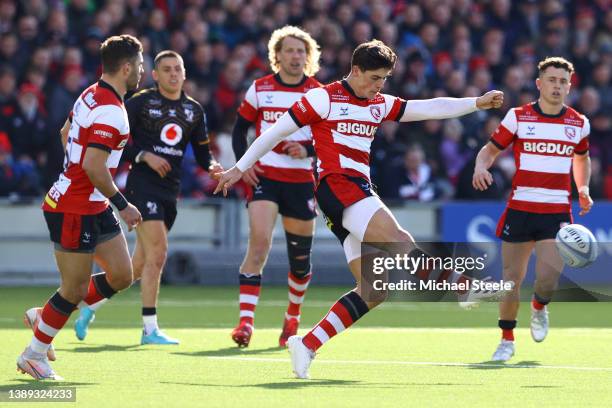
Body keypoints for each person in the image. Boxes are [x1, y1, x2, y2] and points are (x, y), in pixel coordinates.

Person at [215, 39, 506, 379]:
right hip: (338, 186)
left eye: (383, 79)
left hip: (352, 193)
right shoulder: (323, 98)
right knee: (398, 238)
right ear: (355, 70)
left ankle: (306, 345)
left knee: (373, 289)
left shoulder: (378, 103)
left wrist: (476, 103)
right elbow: (273, 132)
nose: (378, 86)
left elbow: (428, 108)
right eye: (374, 78)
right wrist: (238, 167)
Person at [72, 50, 221, 345]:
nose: (173, 74)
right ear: (155, 74)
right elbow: (116, 140)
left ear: (185, 73)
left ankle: (91, 305)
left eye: (178, 69)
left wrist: (216, 168)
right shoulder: (140, 102)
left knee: (138, 267)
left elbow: (204, 156)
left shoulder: (194, 111)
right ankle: (150, 329)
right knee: (159, 252)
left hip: (170, 190)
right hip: (142, 186)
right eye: (166, 69)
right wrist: (143, 155)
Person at [17, 34, 144, 380]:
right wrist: (124, 205)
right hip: (74, 205)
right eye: (141, 66)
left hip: (91, 201)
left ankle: (44, 316)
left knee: (122, 274)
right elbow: (93, 166)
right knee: (73, 289)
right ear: (127, 67)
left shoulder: (90, 93)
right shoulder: (111, 110)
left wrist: (82, 173)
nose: (142, 73)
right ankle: (34, 355)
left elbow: (65, 132)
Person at [472, 57, 593, 362]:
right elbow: (489, 151)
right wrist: (479, 167)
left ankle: (539, 307)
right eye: (552, 80)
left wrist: (583, 189)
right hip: (521, 209)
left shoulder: (578, 123)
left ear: (569, 86)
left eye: (563, 81)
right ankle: (507, 339)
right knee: (510, 280)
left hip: (556, 212)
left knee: (547, 280)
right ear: (540, 84)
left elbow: (581, 159)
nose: (557, 86)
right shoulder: (518, 117)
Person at [230, 26, 322, 348]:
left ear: (308, 57)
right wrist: (246, 164)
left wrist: (308, 150)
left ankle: (292, 316)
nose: (296, 56)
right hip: (266, 177)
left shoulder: (317, 93)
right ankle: (245, 323)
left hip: (300, 183)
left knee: (300, 259)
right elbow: (239, 130)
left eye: (301, 51)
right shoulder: (260, 89)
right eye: (290, 50)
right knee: (258, 244)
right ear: (278, 56)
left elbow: (329, 138)